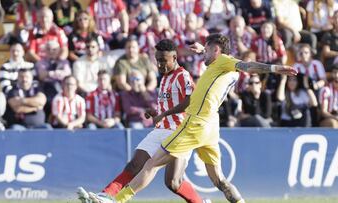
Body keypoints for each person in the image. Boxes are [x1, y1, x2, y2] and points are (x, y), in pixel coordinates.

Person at [87, 33, 297, 203]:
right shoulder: (218, 68)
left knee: (151, 165)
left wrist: (274, 68)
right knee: (218, 180)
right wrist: (201, 52)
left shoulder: (225, 62)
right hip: (211, 125)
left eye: (207, 49)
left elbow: (246, 66)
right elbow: (219, 69)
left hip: (195, 122)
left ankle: (116, 200)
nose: (202, 53)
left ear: (217, 50)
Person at [78, 39, 208, 203]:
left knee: (173, 182)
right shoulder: (165, 77)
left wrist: (164, 113)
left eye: (164, 60)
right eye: (158, 60)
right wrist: (156, 112)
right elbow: (171, 103)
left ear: (174, 58)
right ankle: (107, 196)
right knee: (135, 164)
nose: (160, 64)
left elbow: (191, 101)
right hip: (161, 130)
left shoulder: (182, 75)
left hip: (179, 132)